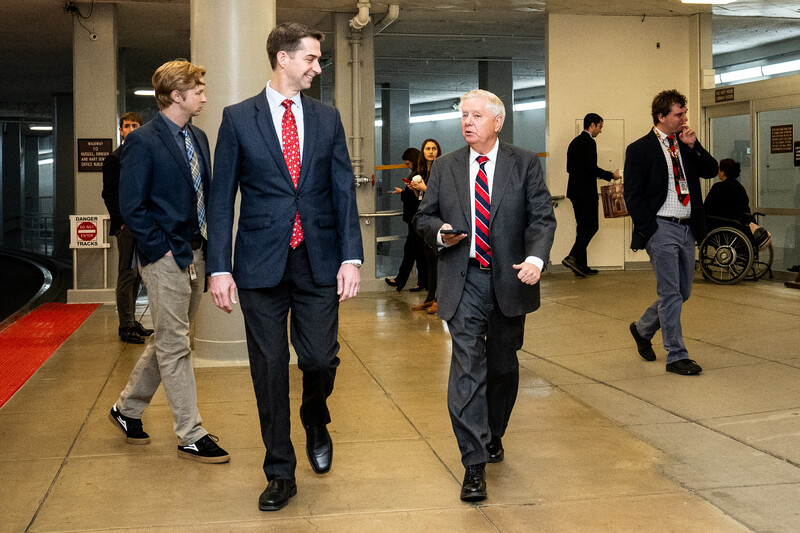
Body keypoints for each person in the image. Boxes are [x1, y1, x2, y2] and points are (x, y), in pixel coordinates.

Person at [207, 23, 363, 512]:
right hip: (258, 265)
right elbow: (220, 199)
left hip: (318, 261)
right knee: (269, 369)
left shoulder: (327, 118)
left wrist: (351, 257)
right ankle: (279, 471)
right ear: (283, 58)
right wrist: (219, 267)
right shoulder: (237, 118)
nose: (318, 67)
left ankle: (315, 416)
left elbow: (342, 191)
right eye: (312, 58)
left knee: (318, 359)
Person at [415, 89, 556, 502]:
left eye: (477, 115)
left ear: (497, 121)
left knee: (502, 368)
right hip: (464, 279)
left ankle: (494, 433)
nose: (467, 122)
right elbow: (425, 217)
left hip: (511, 279)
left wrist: (536, 258)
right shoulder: (446, 166)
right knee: (466, 370)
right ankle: (473, 462)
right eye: (464, 116)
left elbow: (542, 217)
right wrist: (440, 232)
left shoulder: (524, 163)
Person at [109, 59, 229, 464]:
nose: (204, 96)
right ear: (176, 95)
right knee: (176, 344)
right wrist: (160, 249)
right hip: (164, 255)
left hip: (195, 250)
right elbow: (132, 205)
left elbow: (205, 197)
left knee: (168, 339)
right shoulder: (143, 141)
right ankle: (190, 433)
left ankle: (127, 409)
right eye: (197, 90)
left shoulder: (199, 137)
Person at [624, 89, 718, 376]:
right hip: (661, 227)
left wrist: (694, 145)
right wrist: (648, 229)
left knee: (682, 292)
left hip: (687, 228)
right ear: (661, 116)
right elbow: (633, 194)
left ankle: (642, 329)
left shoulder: (685, 145)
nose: (684, 118)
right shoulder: (640, 149)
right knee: (670, 293)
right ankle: (677, 355)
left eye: (684, 113)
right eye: (679, 114)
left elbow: (711, 169)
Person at [101, 111, 154, 344]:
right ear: (121, 130)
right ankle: (125, 326)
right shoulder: (115, 158)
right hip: (126, 225)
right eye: (126, 126)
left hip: (144, 223)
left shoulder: (144, 155)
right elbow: (109, 194)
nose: (130, 129)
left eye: (134, 125)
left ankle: (132, 321)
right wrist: (120, 222)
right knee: (126, 274)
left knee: (137, 276)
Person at [562, 113, 621, 277]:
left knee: (582, 228)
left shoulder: (574, 142)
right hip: (585, 193)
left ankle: (581, 266)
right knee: (592, 226)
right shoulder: (589, 142)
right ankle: (572, 257)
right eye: (600, 126)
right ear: (592, 125)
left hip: (574, 191)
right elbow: (591, 168)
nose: (600, 131)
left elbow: (571, 169)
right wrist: (611, 175)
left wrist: (588, 173)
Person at [385, 147, 427, 292]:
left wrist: (405, 192)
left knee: (412, 251)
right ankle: (417, 282)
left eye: (408, 163)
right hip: (414, 219)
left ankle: (403, 280)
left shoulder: (419, 176)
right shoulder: (416, 174)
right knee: (415, 252)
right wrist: (404, 191)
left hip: (416, 219)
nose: (407, 166)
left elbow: (417, 199)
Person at [410, 138, 443, 314]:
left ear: (438, 151)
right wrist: (416, 189)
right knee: (428, 261)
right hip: (423, 217)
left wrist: (425, 187)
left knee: (437, 261)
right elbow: (422, 198)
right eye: (427, 149)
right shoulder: (422, 171)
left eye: (433, 148)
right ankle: (430, 298)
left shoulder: (442, 169)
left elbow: (441, 195)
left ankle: (438, 300)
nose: (430, 151)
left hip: (436, 218)